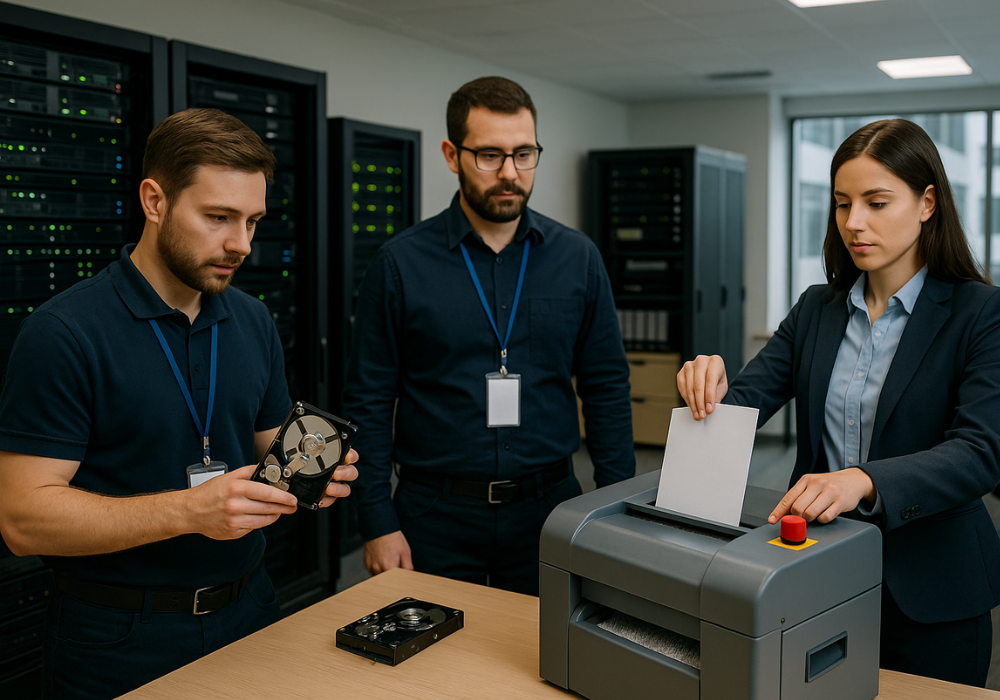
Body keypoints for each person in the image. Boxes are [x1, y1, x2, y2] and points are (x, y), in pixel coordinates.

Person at [0, 108, 359, 700]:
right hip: (118, 635)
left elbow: (270, 443)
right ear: (154, 200)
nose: (240, 244)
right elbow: (20, 520)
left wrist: (317, 470)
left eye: (252, 221)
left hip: (251, 608)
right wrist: (190, 511)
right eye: (218, 217)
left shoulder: (251, 318)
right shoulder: (63, 332)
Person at [677, 118, 1000, 687]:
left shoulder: (980, 313)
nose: (854, 223)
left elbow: (979, 452)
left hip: (933, 586)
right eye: (842, 203)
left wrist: (862, 480)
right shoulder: (815, 309)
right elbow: (742, 407)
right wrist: (708, 384)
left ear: (927, 203)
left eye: (877, 203)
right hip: (815, 571)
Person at [342, 76, 634, 596]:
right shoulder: (400, 264)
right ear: (452, 155)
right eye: (490, 156)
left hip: (551, 506)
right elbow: (367, 399)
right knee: (428, 666)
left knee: (549, 664)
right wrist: (377, 520)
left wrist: (614, 509)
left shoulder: (577, 258)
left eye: (524, 154)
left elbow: (606, 385)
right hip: (435, 511)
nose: (510, 173)